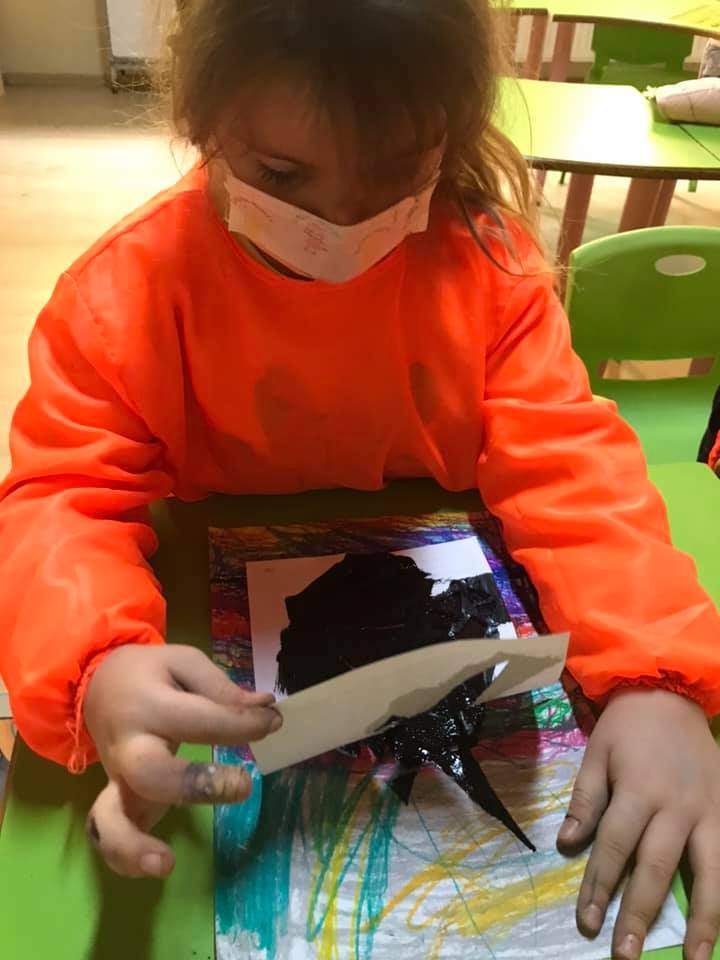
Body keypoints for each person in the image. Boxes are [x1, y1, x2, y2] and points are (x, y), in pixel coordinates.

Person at [0, 2, 719, 958]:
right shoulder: (125, 297)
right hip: (214, 630)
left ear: (447, 139)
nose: (337, 227)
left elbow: (574, 469)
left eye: (391, 176)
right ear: (202, 123)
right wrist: (99, 662)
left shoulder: (490, 271)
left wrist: (653, 678)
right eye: (281, 176)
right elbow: (60, 498)